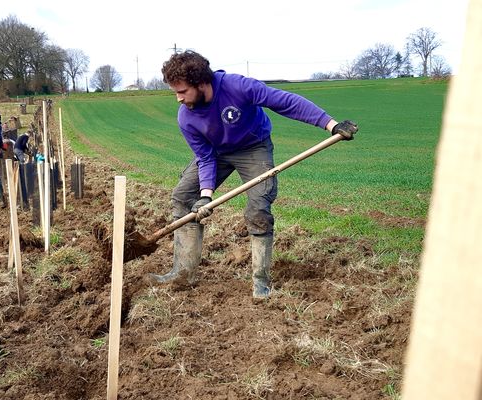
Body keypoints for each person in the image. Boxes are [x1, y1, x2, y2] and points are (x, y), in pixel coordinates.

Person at [149, 50, 358, 299]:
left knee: (258, 208)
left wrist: (331, 124)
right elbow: (205, 158)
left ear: (201, 82)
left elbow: (285, 102)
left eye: (182, 91)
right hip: (217, 153)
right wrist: (206, 195)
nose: (178, 99)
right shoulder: (187, 118)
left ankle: (261, 281)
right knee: (183, 198)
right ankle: (183, 273)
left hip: (253, 148)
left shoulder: (237, 87)